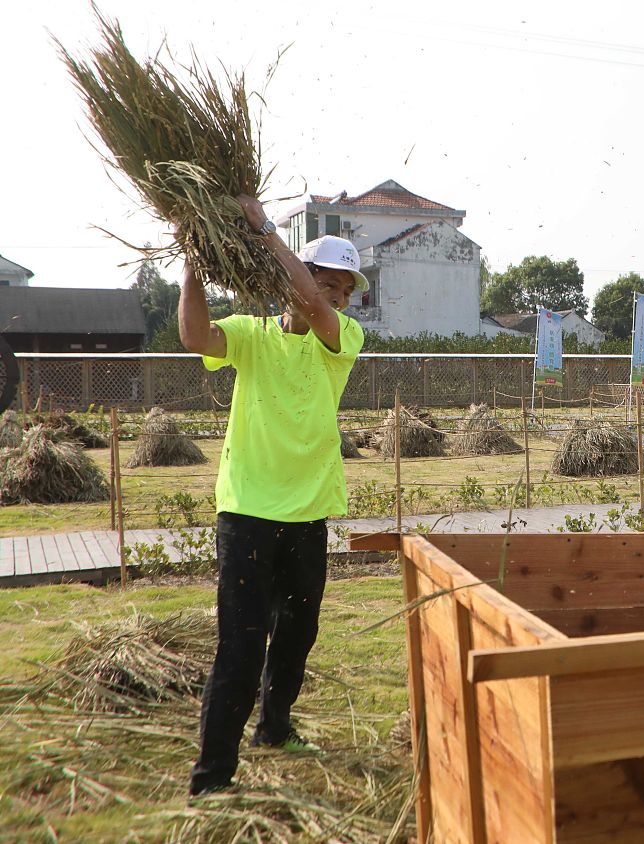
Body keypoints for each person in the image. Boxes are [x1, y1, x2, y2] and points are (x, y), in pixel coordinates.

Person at [181, 195, 366, 798]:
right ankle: (212, 776)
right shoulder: (250, 336)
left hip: (309, 514)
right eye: (327, 282)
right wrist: (191, 264)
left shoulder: (342, 338)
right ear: (295, 273)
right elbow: (193, 335)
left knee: (297, 633)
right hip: (247, 515)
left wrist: (263, 229)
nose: (336, 296)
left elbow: (311, 308)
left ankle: (275, 727)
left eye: (345, 289)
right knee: (240, 643)